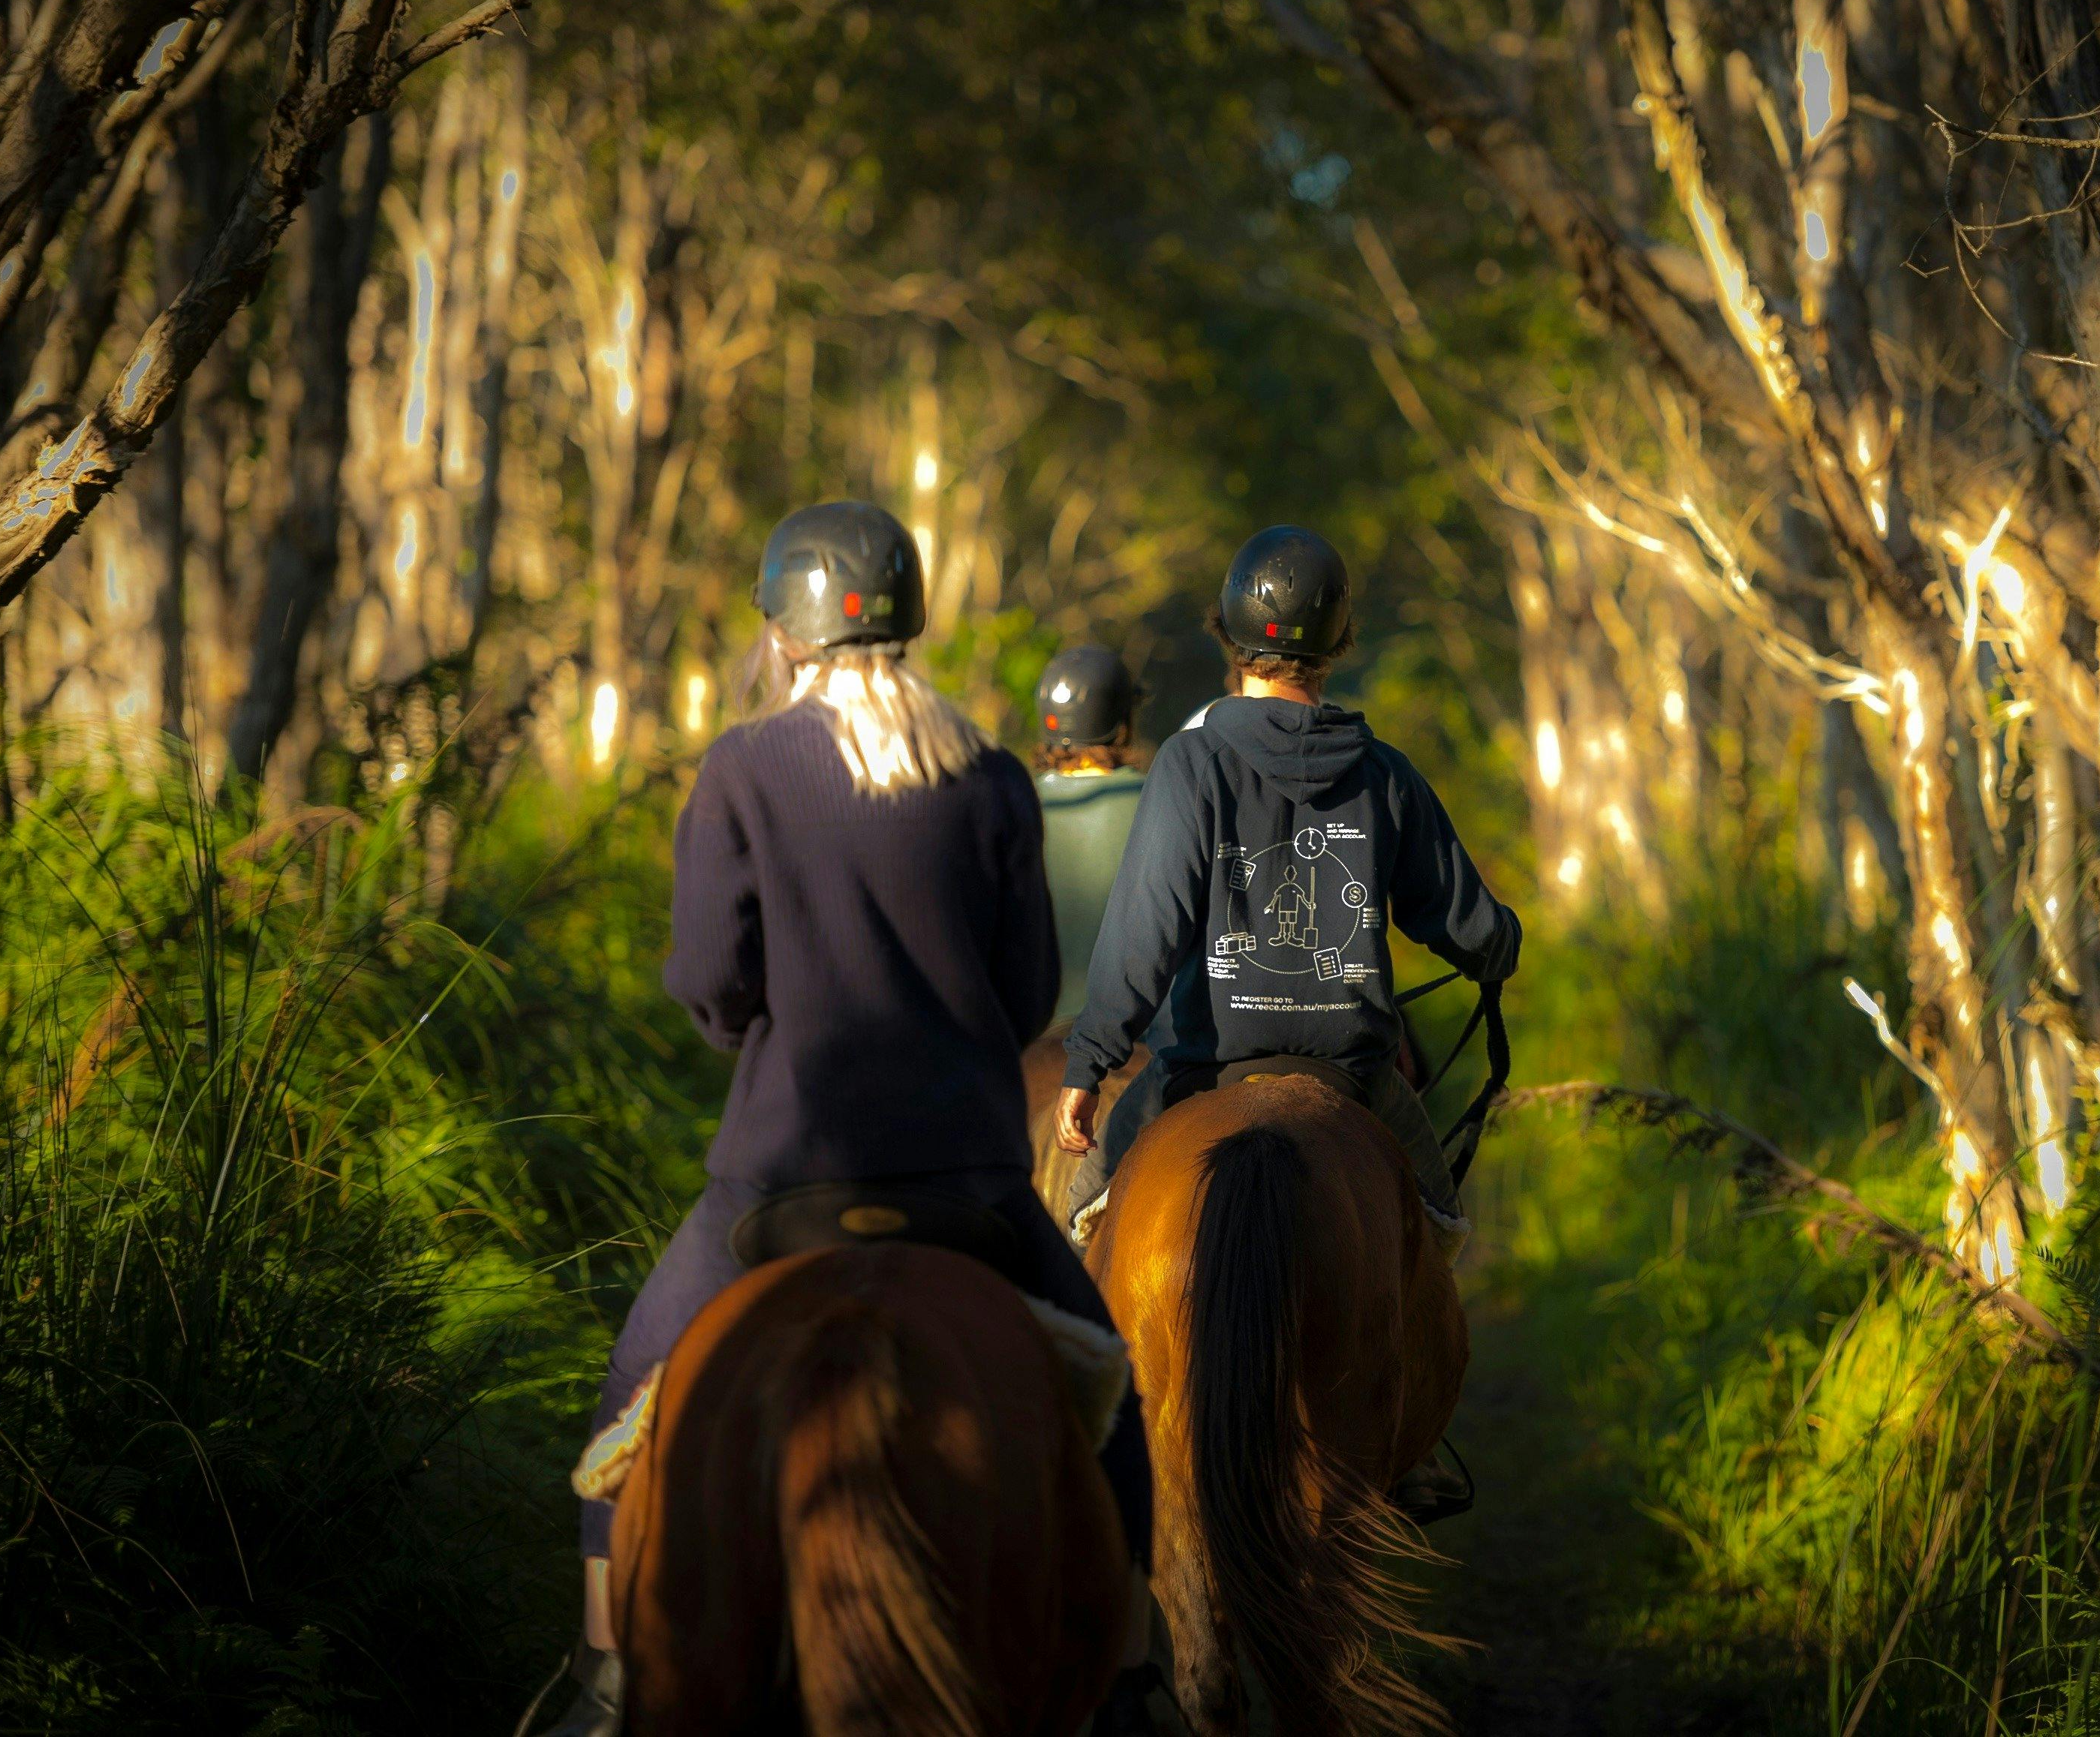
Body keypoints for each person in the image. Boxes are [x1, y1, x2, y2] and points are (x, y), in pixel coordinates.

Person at [540, 501, 1157, 1737]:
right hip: (971, 1180)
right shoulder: (986, 773)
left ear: (788, 633)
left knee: (627, 1398)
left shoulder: (741, 767)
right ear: (905, 623)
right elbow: (1029, 990)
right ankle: (1134, 1678)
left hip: (783, 1174)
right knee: (1112, 1402)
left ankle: (607, 1685)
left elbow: (713, 979)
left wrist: (749, 1037)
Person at [1052, 524, 1522, 1257]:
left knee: (1085, 1220)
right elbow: (1465, 921)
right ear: (1336, 642)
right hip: (1355, 1072)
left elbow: (1144, 933)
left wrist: (1089, 1061)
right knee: (1440, 1230)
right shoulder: (1384, 771)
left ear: (1230, 636)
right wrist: (1498, 946)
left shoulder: (1189, 761)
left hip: (1202, 1061)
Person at [1033, 643, 1148, 1027]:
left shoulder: (1016, 803)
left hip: (1035, 1024)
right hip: (1133, 1029)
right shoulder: (1155, 799)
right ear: (1122, 724)